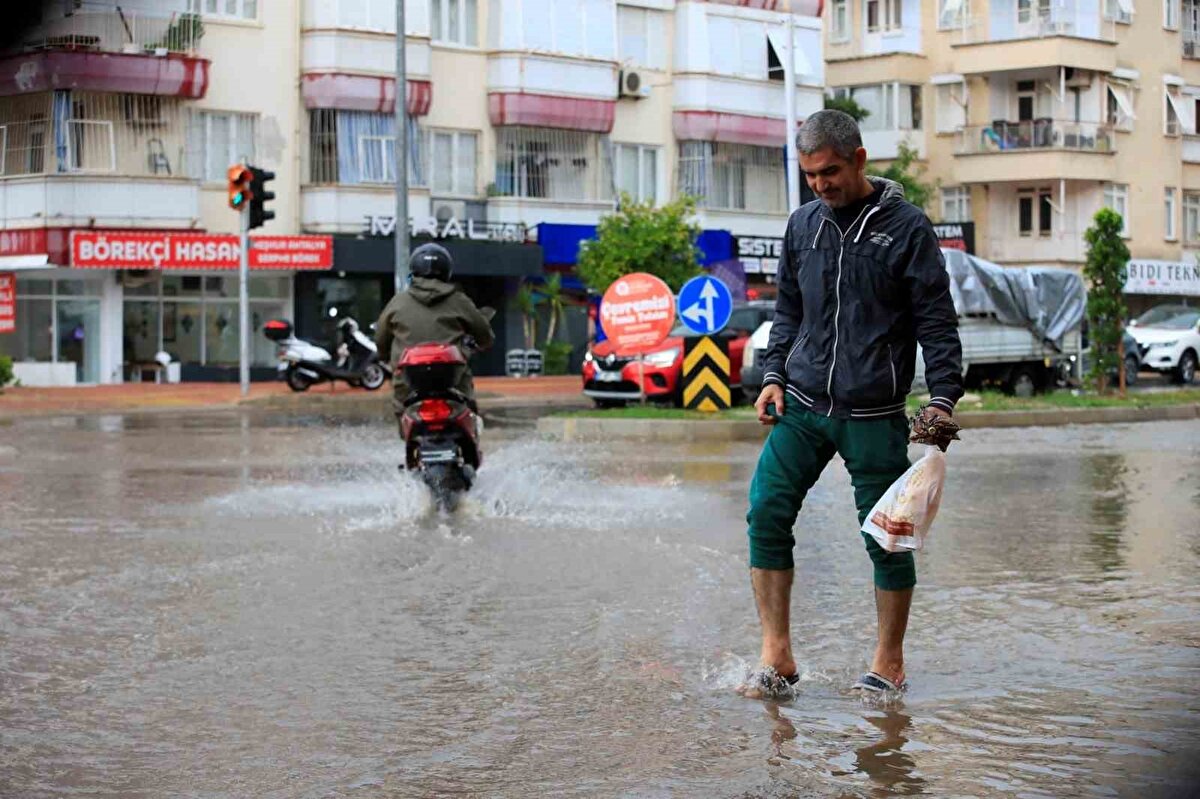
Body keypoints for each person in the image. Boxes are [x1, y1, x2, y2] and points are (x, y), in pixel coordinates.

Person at [739, 110, 964, 700]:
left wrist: (941, 401)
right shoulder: (802, 226)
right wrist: (773, 375)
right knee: (765, 511)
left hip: (872, 415)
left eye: (830, 172)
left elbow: (937, 325)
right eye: (810, 175)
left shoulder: (907, 229)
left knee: (888, 536)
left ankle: (888, 662)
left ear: (859, 159)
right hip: (804, 406)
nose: (820, 185)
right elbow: (788, 312)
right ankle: (777, 657)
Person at [374, 243, 495, 424]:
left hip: (407, 383)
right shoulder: (459, 300)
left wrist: (384, 356)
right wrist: (482, 343)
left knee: (402, 412)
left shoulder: (398, 303)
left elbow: (381, 338)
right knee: (468, 408)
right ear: (446, 271)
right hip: (453, 382)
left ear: (414, 270)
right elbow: (484, 334)